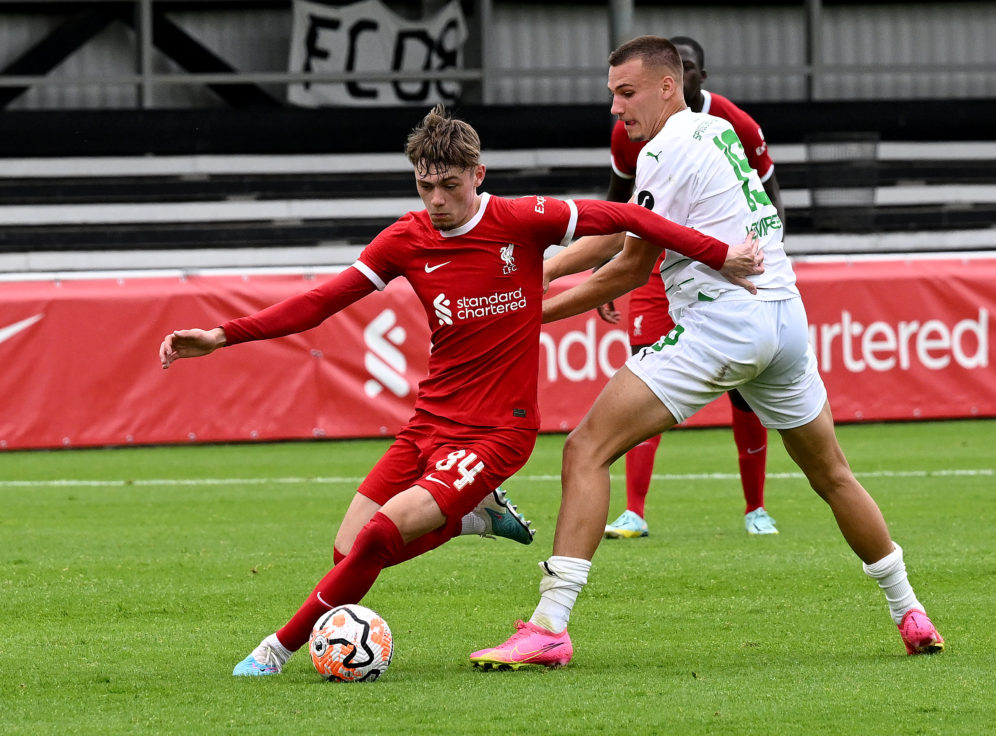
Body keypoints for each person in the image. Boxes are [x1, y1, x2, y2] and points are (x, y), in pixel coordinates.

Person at [158, 103, 762, 677]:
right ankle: (476, 519)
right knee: (349, 555)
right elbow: (319, 304)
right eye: (426, 187)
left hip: (500, 432)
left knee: (375, 541)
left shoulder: (522, 220)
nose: (438, 200)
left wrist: (721, 256)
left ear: (478, 175)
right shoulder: (407, 240)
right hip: (429, 425)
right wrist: (221, 334)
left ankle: (276, 648)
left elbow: (630, 216)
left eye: (450, 185)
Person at [469, 36, 943, 670]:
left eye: (627, 92)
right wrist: (547, 267)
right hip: (784, 321)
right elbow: (630, 230)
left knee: (586, 449)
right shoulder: (713, 130)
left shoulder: (663, 149)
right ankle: (909, 610)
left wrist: (523, 316)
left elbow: (630, 267)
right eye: (611, 94)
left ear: (669, 86)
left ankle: (550, 626)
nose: (615, 108)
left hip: (724, 324)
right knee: (832, 475)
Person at [600, 35, 784, 538]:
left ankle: (755, 509)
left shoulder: (732, 123)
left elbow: (768, 194)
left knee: (747, 397)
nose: (619, 107)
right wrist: (592, 275)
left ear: (690, 77)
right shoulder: (631, 129)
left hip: (730, 272)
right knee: (641, 371)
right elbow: (621, 214)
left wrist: (773, 257)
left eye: (690, 66)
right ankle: (634, 511)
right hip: (657, 269)